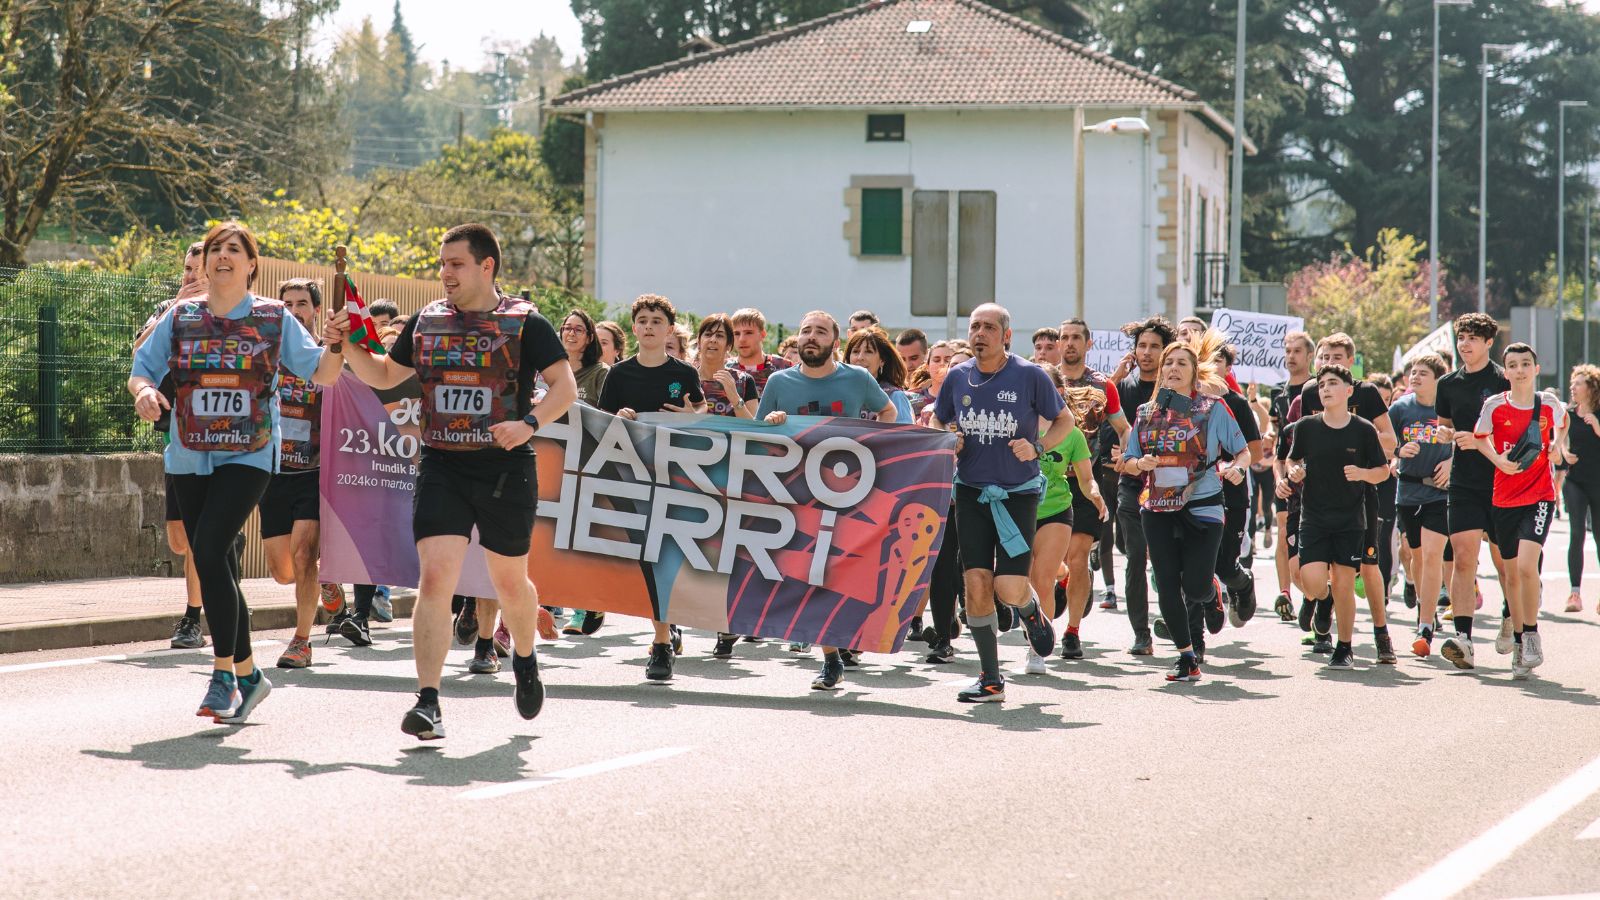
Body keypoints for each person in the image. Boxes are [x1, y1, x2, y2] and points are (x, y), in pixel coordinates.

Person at [328, 222, 576, 739]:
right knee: (436, 579)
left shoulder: (526, 322)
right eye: (442, 263)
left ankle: (525, 656)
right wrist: (348, 344)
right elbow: (382, 375)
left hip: (505, 465)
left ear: (487, 266)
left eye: (456, 263)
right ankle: (428, 701)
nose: (445, 273)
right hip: (442, 463)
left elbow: (564, 387)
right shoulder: (427, 320)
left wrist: (528, 424)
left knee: (510, 582)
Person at [129, 221, 344, 722]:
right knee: (218, 563)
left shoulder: (273, 318)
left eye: (233, 249)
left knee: (207, 548)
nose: (222, 256)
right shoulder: (181, 316)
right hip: (189, 453)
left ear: (251, 265)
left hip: (250, 453)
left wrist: (336, 344)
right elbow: (141, 369)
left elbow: (324, 373)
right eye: (214, 249)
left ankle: (223, 674)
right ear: (205, 263)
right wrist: (145, 392)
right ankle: (249, 675)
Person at [931, 303, 1075, 702]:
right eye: (974, 326)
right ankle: (991, 679)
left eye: (989, 327)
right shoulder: (957, 376)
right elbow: (937, 419)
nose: (979, 333)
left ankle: (1030, 610)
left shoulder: (1030, 375)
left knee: (1009, 587)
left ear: (1006, 336)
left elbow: (1065, 420)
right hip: (971, 491)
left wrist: (1038, 446)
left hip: (1017, 494)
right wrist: (947, 439)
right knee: (976, 582)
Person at [758, 310, 897, 689]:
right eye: (805, 331)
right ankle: (832, 657)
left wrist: (872, 444)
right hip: (800, 495)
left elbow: (887, 411)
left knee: (845, 574)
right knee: (813, 575)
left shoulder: (857, 378)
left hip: (851, 493)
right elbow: (758, 434)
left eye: (820, 331)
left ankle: (846, 637)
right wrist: (773, 422)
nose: (811, 337)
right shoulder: (779, 381)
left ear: (835, 343)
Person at [1119, 330, 1249, 681]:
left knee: (1194, 586)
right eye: (1169, 363)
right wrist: (1140, 464)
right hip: (1158, 506)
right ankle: (1186, 657)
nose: (1173, 369)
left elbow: (1243, 452)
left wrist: (1237, 469)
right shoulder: (1146, 412)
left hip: (1203, 503)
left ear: (1194, 372)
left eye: (1182, 363)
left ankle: (1211, 593)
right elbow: (1128, 461)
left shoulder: (1212, 408)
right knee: (1166, 584)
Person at [597, 294, 706, 680]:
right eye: (642, 320)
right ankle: (662, 636)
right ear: (634, 327)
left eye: (656, 321)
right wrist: (618, 417)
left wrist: (691, 415)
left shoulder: (684, 373)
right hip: (631, 478)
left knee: (666, 555)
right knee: (646, 555)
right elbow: (599, 422)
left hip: (674, 477)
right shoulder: (618, 374)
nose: (648, 326)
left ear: (669, 329)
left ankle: (664, 635)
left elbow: (701, 415)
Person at [1287, 333, 1397, 661]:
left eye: (1337, 358)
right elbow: (1291, 456)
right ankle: (1322, 602)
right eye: (1325, 357)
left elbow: (1388, 452)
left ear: (1351, 366)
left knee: (1359, 573)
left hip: (1356, 507)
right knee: (1312, 579)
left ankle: (1364, 640)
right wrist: (1294, 471)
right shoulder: (1308, 409)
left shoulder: (1366, 409)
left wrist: (1362, 466)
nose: (1325, 384)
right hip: (1315, 509)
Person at [259, 278, 342, 668]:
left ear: (315, 309)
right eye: (287, 304)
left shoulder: (326, 356)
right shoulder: (266, 353)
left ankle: (301, 641)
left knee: (305, 554)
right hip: (274, 470)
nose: (294, 311)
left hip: (315, 471)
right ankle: (326, 578)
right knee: (282, 572)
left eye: (302, 304)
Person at [1471, 343, 1566, 678]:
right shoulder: (1495, 405)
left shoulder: (1548, 403)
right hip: (1504, 497)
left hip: (1540, 495)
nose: (1520, 370)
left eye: (1526, 364)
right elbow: (1480, 437)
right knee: (1511, 574)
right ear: (1506, 372)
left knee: (1527, 566)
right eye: (1513, 365)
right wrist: (1497, 459)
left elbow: (1563, 423)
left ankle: (1531, 635)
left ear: (1536, 369)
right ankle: (1517, 638)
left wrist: (1557, 446)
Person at [131, 241, 209, 650]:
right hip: (176, 435)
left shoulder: (229, 315)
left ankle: (193, 618)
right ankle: (224, 546)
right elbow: (139, 352)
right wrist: (175, 307)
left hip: (218, 438)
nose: (191, 276)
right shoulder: (168, 309)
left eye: (198, 269)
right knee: (178, 539)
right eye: (187, 269)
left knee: (196, 535)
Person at [1435, 313, 1513, 670]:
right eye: (1461, 338)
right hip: (1463, 482)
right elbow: (1445, 426)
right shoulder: (1448, 384)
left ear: (1488, 343)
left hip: (1501, 480)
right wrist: (1446, 435)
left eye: (1472, 338)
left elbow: (1516, 430)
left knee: (1505, 564)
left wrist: (1481, 440)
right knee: (1464, 558)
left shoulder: (1503, 380)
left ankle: (1511, 615)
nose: (1464, 344)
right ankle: (1463, 639)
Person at [1054, 318, 1128, 656]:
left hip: (1086, 481)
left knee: (1079, 554)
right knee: (1053, 558)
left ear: (1088, 344)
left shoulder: (1102, 385)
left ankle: (1072, 632)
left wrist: (1126, 450)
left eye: (1076, 338)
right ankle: (1064, 579)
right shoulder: (1042, 379)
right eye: (1065, 337)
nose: (1069, 343)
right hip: (1047, 479)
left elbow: (1123, 427)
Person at [1110, 316, 1176, 653]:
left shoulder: (1174, 392)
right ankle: (1141, 633)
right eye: (1142, 346)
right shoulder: (1123, 388)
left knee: (1168, 561)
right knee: (1134, 555)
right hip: (1131, 482)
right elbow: (1105, 424)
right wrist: (1115, 452)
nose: (1147, 352)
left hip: (1170, 486)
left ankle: (1177, 620)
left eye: (1154, 346)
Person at [1032, 364, 1104, 668]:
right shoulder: (1015, 425)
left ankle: (1037, 650)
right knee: (1018, 580)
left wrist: (1095, 493)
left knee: (1042, 580)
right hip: (1018, 510)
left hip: (1057, 509)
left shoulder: (1072, 434)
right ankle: (1062, 573)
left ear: (1058, 392)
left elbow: (1086, 479)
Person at [1389, 354, 1453, 656]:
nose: (1414, 377)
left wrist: (1451, 462)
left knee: (1431, 555)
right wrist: (1398, 451)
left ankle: (1425, 627)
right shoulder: (1400, 408)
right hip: (1408, 491)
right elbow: (1382, 441)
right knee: (1415, 557)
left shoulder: (1449, 409)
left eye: (1422, 373)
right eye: (1413, 372)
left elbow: (1470, 441)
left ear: (1438, 379)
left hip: (1439, 493)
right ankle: (1422, 603)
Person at [1269, 331, 1315, 619]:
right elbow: (1279, 443)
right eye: (1287, 351)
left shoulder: (1318, 389)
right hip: (1288, 475)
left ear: (1309, 356)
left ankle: (1316, 593)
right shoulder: (1279, 394)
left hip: (1318, 478)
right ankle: (1284, 593)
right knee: (1284, 529)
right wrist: (1279, 480)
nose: (1291, 356)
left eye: (1297, 351)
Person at [1562, 364, 1600, 614]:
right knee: (1577, 534)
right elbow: (1559, 441)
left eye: (1578, 383)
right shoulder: (1568, 414)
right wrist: (1565, 453)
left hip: (1598, 482)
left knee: (1599, 536)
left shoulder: (1599, 413)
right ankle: (1574, 593)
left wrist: (1596, 425)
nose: (1573, 387)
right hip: (1574, 481)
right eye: (1572, 383)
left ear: (1591, 387)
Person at [845, 326, 914, 422]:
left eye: (868, 352)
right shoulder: (838, 391)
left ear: (882, 360)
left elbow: (905, 431)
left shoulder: (894, 396)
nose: (860, 357)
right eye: (855, 351)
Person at [728, 308, 792, 395]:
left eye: (748, 333)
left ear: (762, 335)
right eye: (736, 334)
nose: (742, 339)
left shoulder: (784, 368)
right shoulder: (724, 370)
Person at [557, 309, 610, 404]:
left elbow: (608, 410)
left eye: (578, 330)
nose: (571, 333)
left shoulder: (601, 372)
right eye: (567, 328)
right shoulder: (552, 370)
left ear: (589, 338)